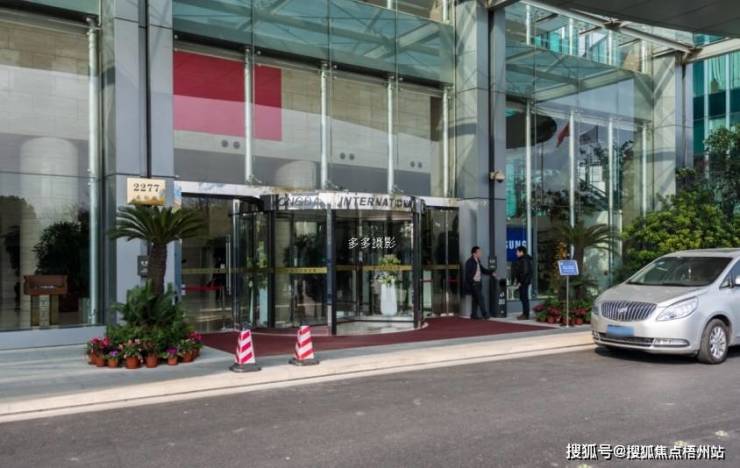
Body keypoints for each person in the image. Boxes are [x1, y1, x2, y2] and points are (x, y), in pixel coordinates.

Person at [463, 246, 494, 320]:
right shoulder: (469, 262)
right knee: (481, 298)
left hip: (479, 283)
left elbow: (483, 270)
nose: (480, 253)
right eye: (479, 252)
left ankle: (473, 314)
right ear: (474, 253)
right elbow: (467, 275)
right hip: (474, 284)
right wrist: (472, 282)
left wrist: (491, 272)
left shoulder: (478, 261)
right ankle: (485, 314)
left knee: (475, 300)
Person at [512, 246, 533, 320]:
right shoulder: (522, 259)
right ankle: (524, 313)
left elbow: (525, 272)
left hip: (524, 282)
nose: (516, 253)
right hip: (523, 281)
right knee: (522, 297)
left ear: (521, 252)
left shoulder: (525, 260)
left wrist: (520, 282)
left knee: (524, 298)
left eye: (517, 252)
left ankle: (526, 315)